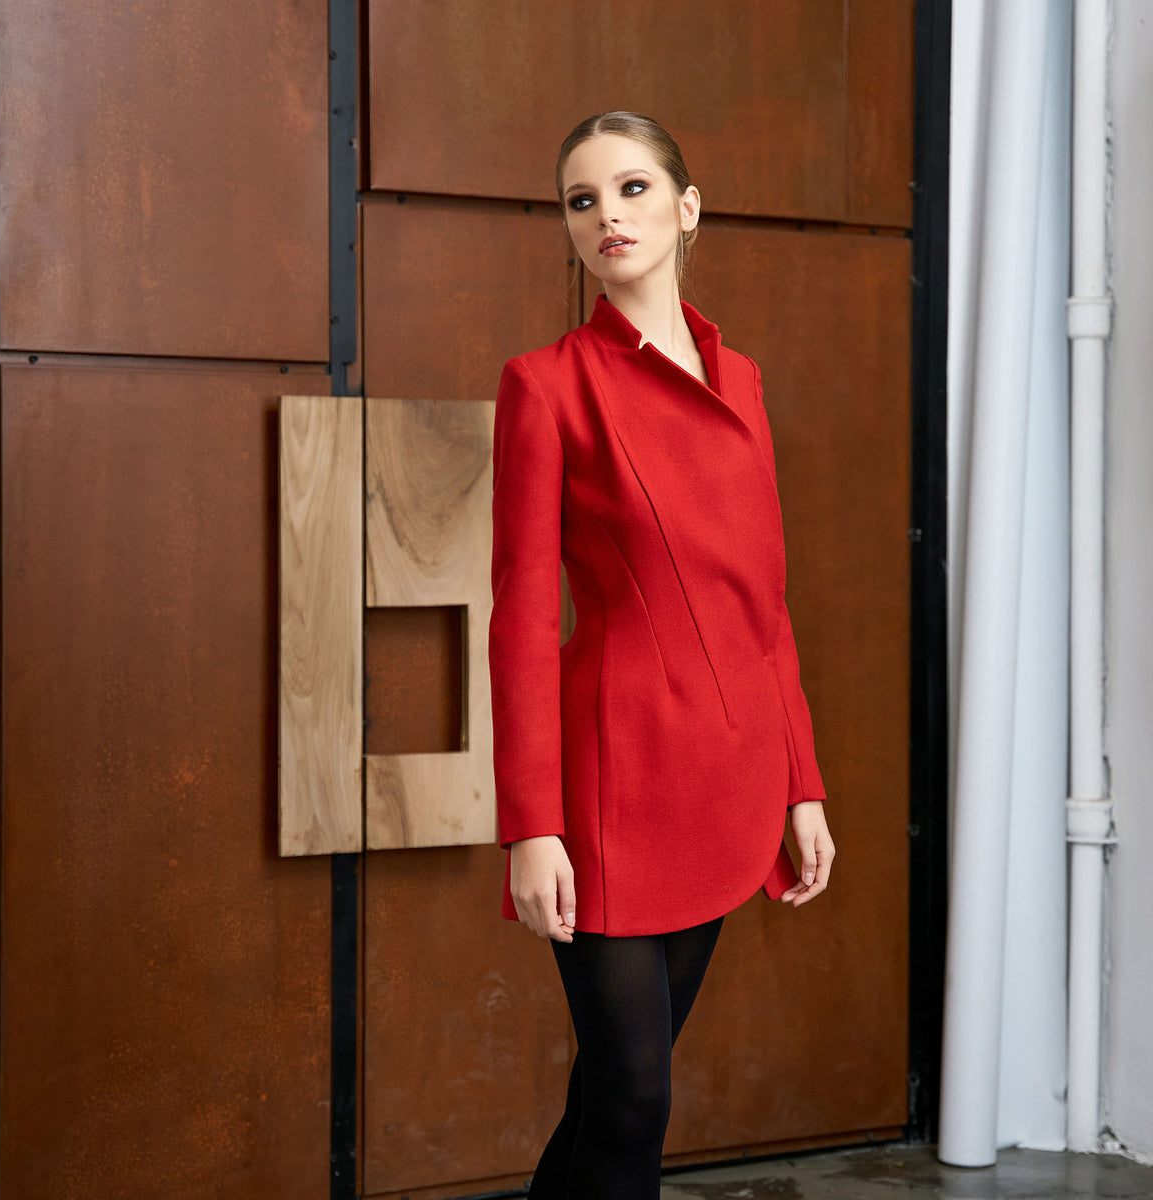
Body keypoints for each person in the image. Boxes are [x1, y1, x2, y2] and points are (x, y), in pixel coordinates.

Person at [488, 111, 835, 1199]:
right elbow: (517, 616)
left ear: (688, 210)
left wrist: (801, 781)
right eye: (581, 201)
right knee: (636, 1097)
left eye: (633, 190)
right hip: (613, 776)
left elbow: (763, 608)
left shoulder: (748, 383)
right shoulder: (547, 385)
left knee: (611, 1095)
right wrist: (531, 821)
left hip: (726, 769)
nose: (607, 217)